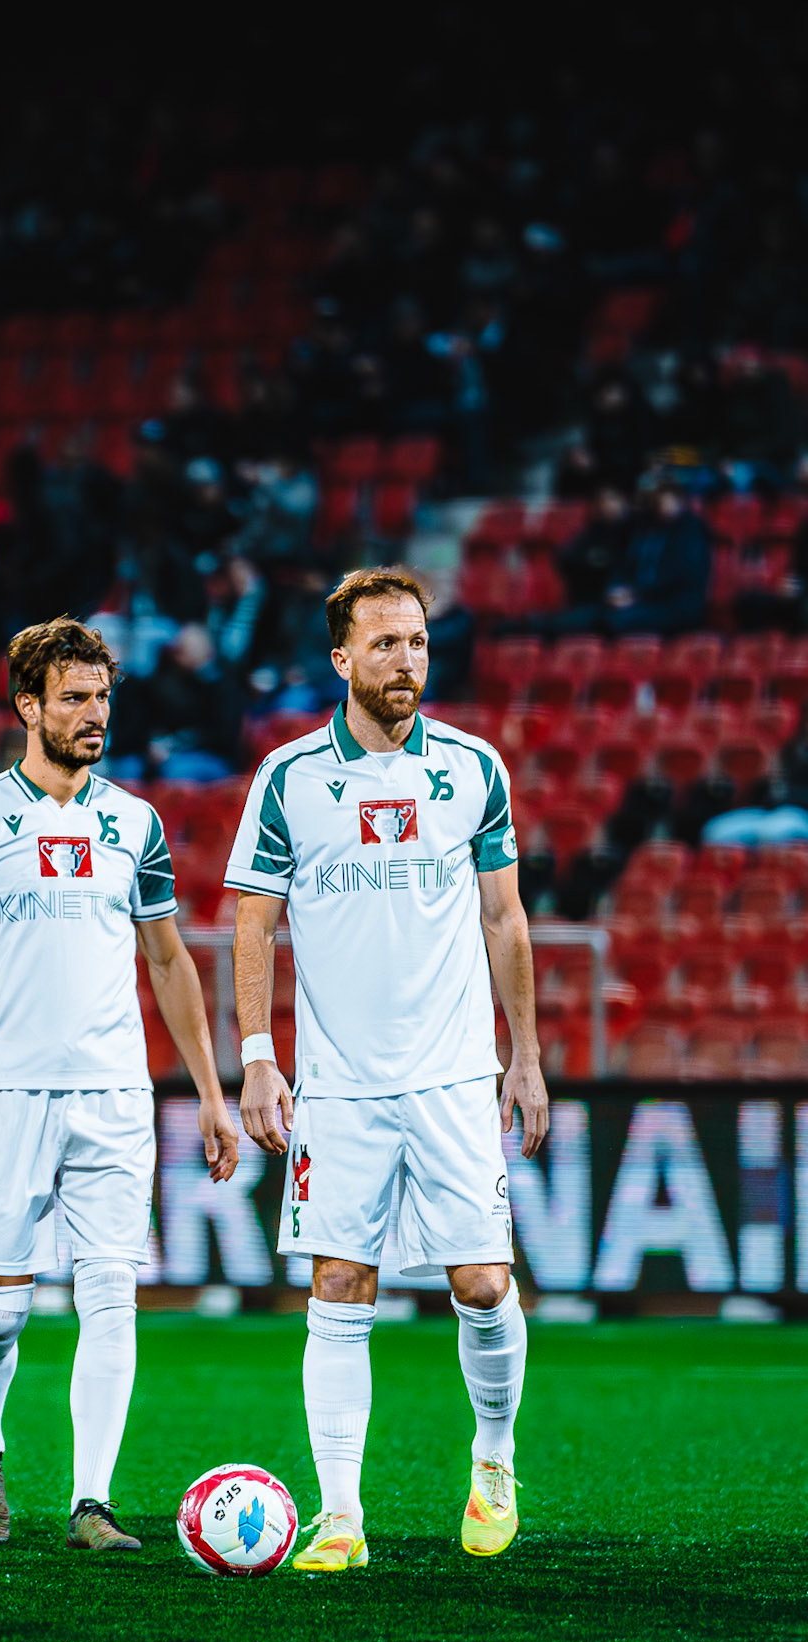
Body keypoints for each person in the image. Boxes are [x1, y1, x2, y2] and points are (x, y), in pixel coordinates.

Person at [226, 566, 547, 1572]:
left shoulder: (473, 767)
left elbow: (504, 917)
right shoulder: (288, 778)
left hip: (452, 1074)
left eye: (415, 641)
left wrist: (525, 1055)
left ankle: (492, 1461)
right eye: (384, 643)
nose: (405, 659)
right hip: (337, 1084)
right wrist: (256, 1057)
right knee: (337, 1283)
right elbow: (252, 924)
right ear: (341, 659)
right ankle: (338, 1517)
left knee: (483, 1282)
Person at [0, 615, 240, 1552]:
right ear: (27, 706)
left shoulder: (135, 822)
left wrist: (211, 1093)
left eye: (102, 698)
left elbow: (167, 961)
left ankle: (93, 1502)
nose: (95, 715)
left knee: (111, 1294)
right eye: (74, 699)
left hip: (114, 1098)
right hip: (5, 1099)